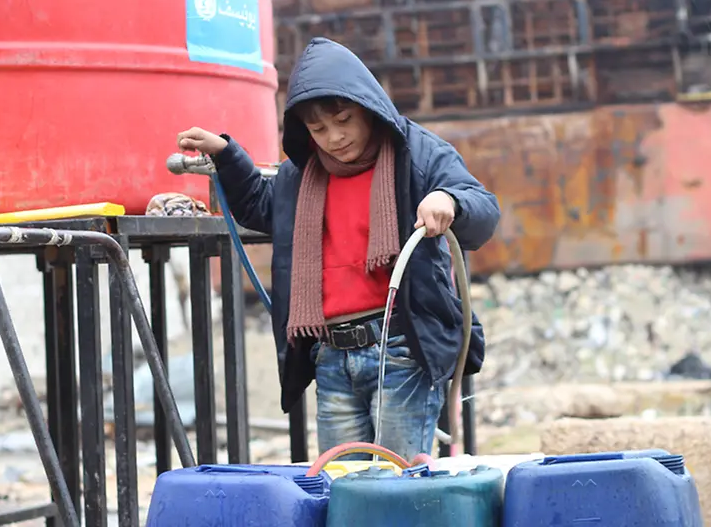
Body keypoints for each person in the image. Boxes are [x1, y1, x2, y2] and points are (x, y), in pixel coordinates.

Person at [176, 37, 501, 461]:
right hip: (331, 356)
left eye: (344, 120)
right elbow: (260, 205)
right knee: (342, 483)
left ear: (368, 107)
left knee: (396, 483)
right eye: (319, 129)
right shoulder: (301, 175)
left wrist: (449, 200)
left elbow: (483, 208)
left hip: (401, 349)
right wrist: (226, 154)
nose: (334, 137)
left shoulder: (417, 154)